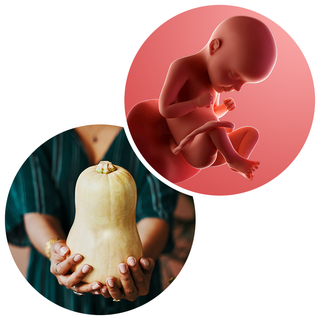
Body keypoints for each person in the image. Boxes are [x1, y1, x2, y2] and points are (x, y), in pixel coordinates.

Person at [5, 125, 178, 315]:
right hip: (53, 291)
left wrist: (136, 265)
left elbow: (157, 211)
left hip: (134, 288)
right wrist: (54, 249)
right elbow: (35, 209)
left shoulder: (153, 129)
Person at [159, 16, 277, 180]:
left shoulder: (214, 82)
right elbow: (165, 109)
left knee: (251, 133)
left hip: (214, 146)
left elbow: (210, 113)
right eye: (234, 75)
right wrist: (195, 103)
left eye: (244, 83)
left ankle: (236, 161)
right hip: (193, 148)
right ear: (214, 47)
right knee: (215, 128)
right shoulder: (182, 67)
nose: (237, 88)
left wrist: (223, 109)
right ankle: (233, 160)